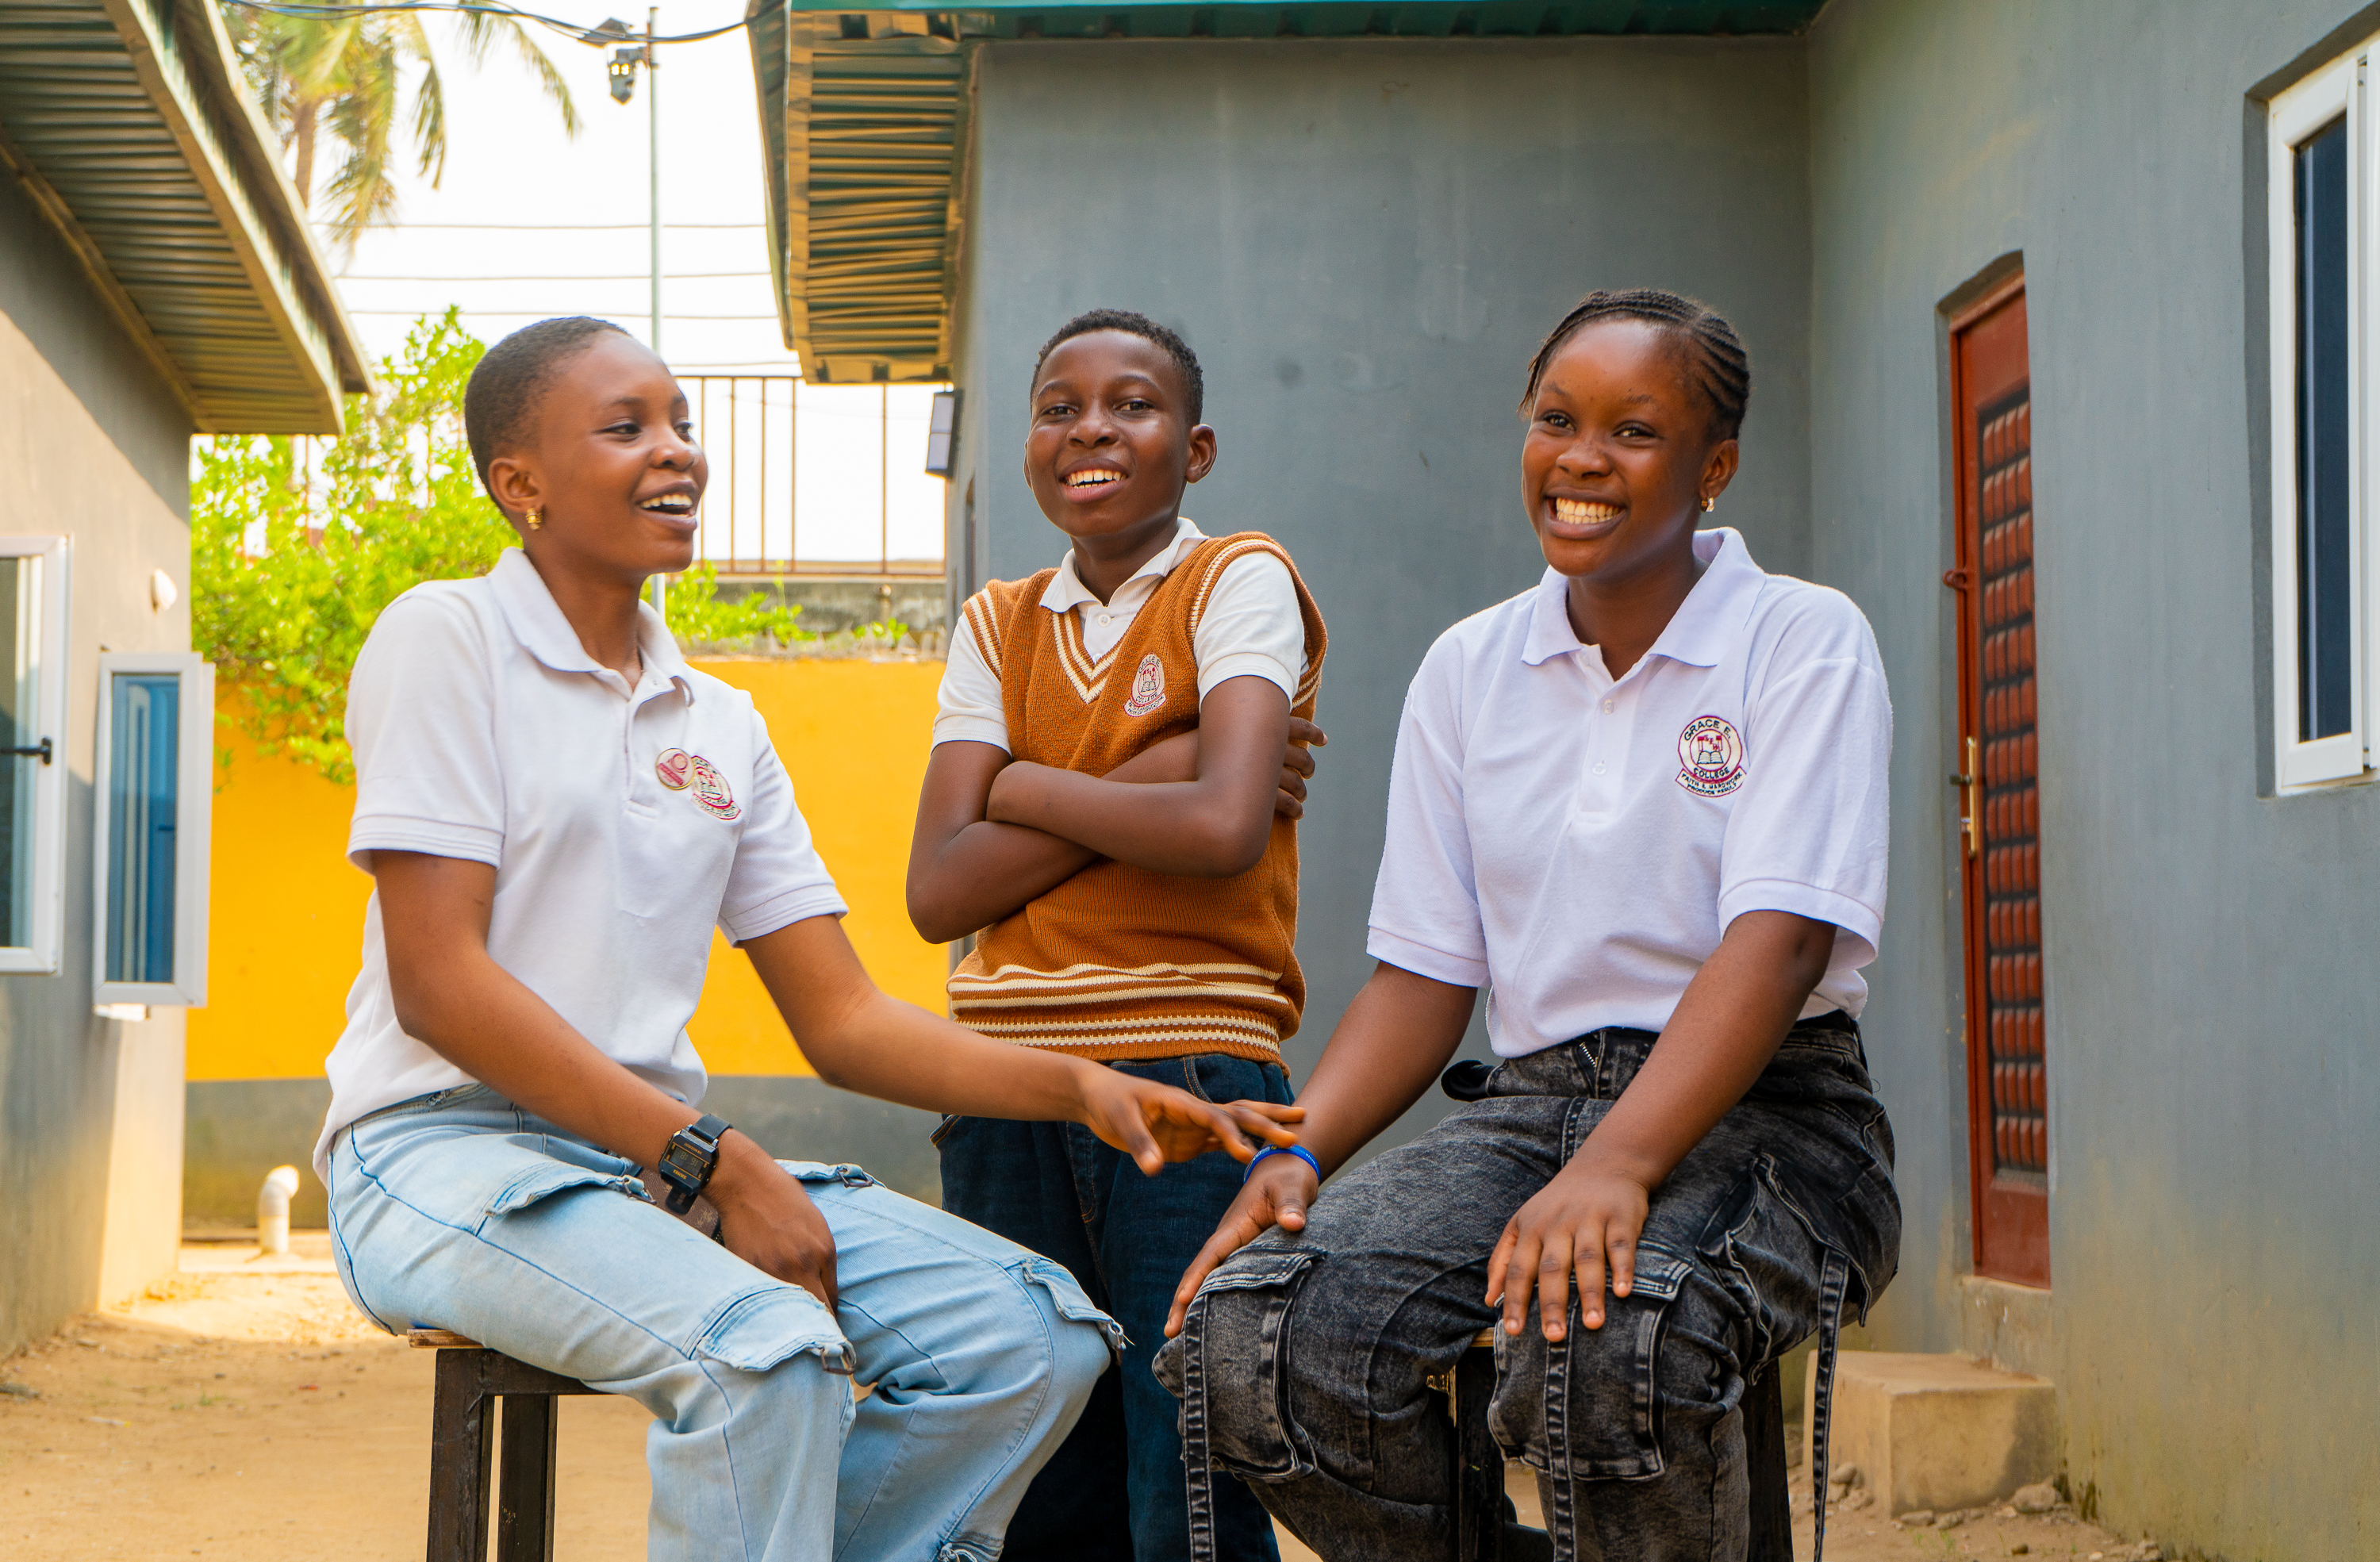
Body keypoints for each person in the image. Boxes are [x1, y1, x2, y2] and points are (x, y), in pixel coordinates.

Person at [316, 316, 1301, 1562]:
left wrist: (1081, 1087)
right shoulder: (446, 637)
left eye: (682, 422)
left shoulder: (722, 723)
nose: (678, 452)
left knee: (1034, 1342)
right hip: (441, 1155)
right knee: (761, 1353)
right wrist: (714, 1162)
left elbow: (843, 1019)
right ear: (521, 485)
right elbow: (441, 984)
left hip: (639, 1174)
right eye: (628, 428)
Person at [1156, 289, 1902, 1562]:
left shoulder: (1799, 639)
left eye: (1636, 431)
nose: (1582, 459)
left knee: (1611, 1342)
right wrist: (1302, 1152)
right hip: (1521, 1109)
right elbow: (1422, 975)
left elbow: (1775, 944)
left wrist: (1615, 1163)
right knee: (1257, 1334)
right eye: (1557, 418)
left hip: (1771, 1111)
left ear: (1713, 467)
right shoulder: (1468, 668)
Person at [907, 309, 1327, 1562]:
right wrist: (1156, 767)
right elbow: (938, 889)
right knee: (1036, 1450)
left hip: (1190, 1072)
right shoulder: (999, 619)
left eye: (1131, 403)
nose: (1090, 425)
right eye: (1057, 405)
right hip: (1006, 1086)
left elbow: (1223, 830)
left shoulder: (1237, 577)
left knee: (1188, 1444)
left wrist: (1025, 788)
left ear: (1193, 449)